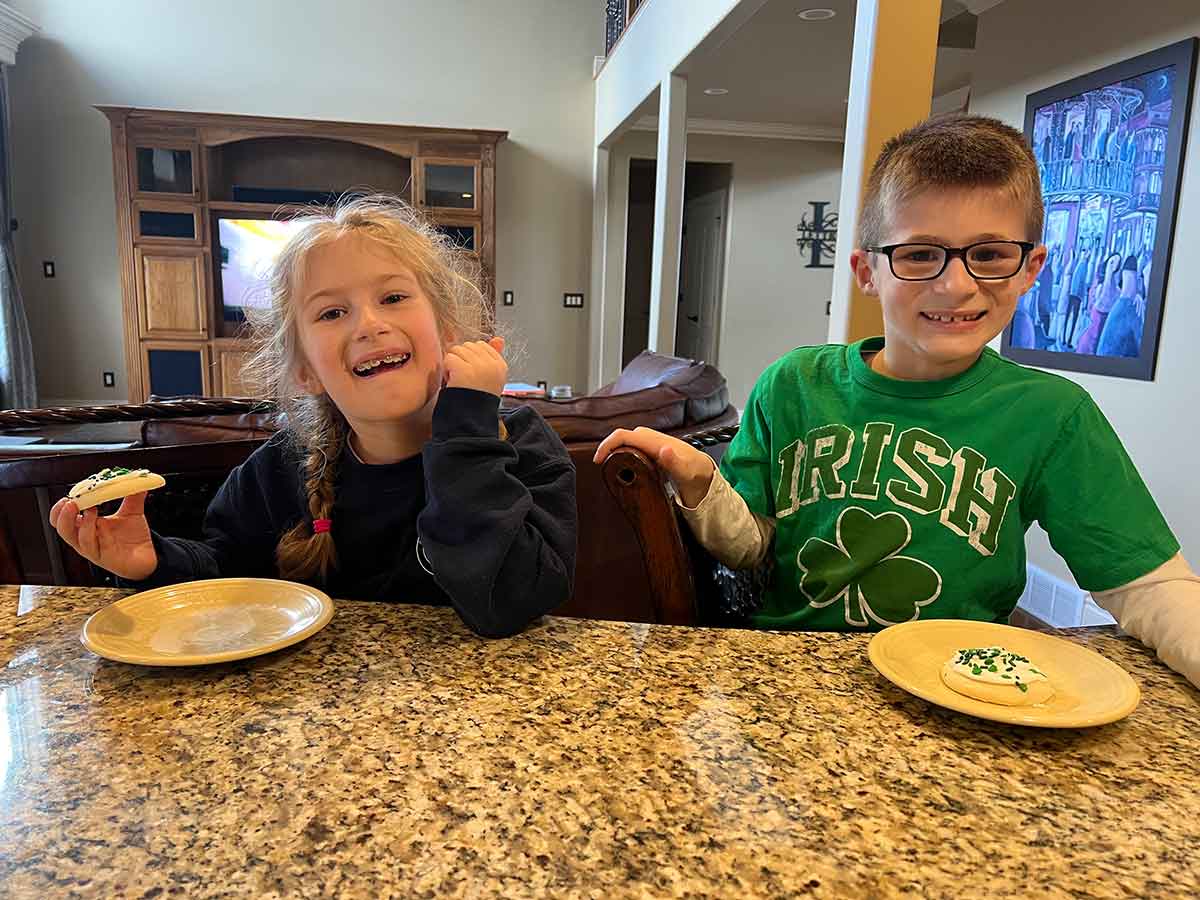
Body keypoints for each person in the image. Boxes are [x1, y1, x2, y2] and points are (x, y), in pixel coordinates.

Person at [595, 114, 1200, 687]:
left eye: (989, 254)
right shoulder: (793, 384)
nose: (956, 284)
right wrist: (701, 483)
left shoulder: (1053, 414)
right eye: (919, 254)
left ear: (1030, 268)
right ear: (866, 272)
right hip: (796, 674)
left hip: (960, 688)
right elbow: (750, 545)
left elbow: (1148, 586)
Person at [49, 196, 577, 638]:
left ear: (447, 332)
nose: (369, 324)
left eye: (393, 297)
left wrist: (467, 428)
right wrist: (153, 562)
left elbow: (508, 604)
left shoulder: (519, 443)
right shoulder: (279, 471)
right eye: (332, 312)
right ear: (306, 371)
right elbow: (226, 579)